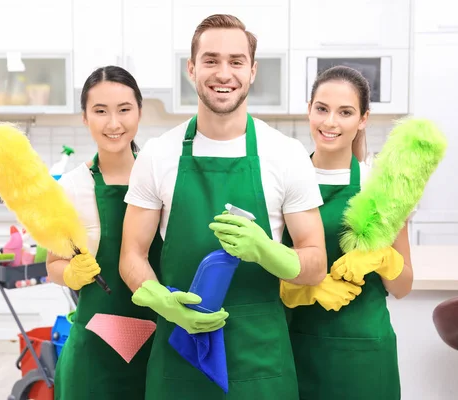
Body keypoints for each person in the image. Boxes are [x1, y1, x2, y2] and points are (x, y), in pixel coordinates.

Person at [119, 13, 327, 400]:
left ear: (252, 71)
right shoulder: (158, 154)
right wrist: (164, 302)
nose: (223, 73)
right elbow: (131, 256)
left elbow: (315, 264)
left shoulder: (285, 154)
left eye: (236, 61)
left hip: (260, 363)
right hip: (180, 357)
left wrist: (267, 251)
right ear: (192, 68)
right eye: (211, 60)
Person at [280, 65, 413, 400]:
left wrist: (383, 259)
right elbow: (264, 272)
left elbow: (403, 287)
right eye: (322, 109)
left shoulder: (380, 188)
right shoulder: (283, 182)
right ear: (309, 109)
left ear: (363, 119)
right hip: (296, 345)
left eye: (345, 112)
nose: (330, 122)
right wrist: (306, 289)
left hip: (365, 353)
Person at [48, 65, 163, 399]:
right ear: (85, 117)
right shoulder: (70, 188)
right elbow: (53, 265)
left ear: (139, 112)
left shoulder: (163, 179)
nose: (114, 124)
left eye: (124, 110)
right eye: (100, 111)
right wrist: (70, 272)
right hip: (94, 354)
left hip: (162, 343)